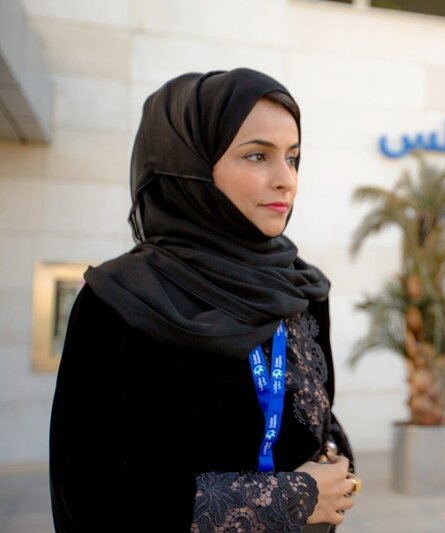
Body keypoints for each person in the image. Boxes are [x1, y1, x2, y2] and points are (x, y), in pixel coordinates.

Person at [49, 68, 358, 532]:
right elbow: (96, 497)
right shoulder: (121, 300)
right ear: (190, 166)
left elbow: (314, 422)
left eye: (292, 158)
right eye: (257, 155)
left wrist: (335, 460)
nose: (286, 180)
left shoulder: (301, 289)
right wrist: (293, 497)